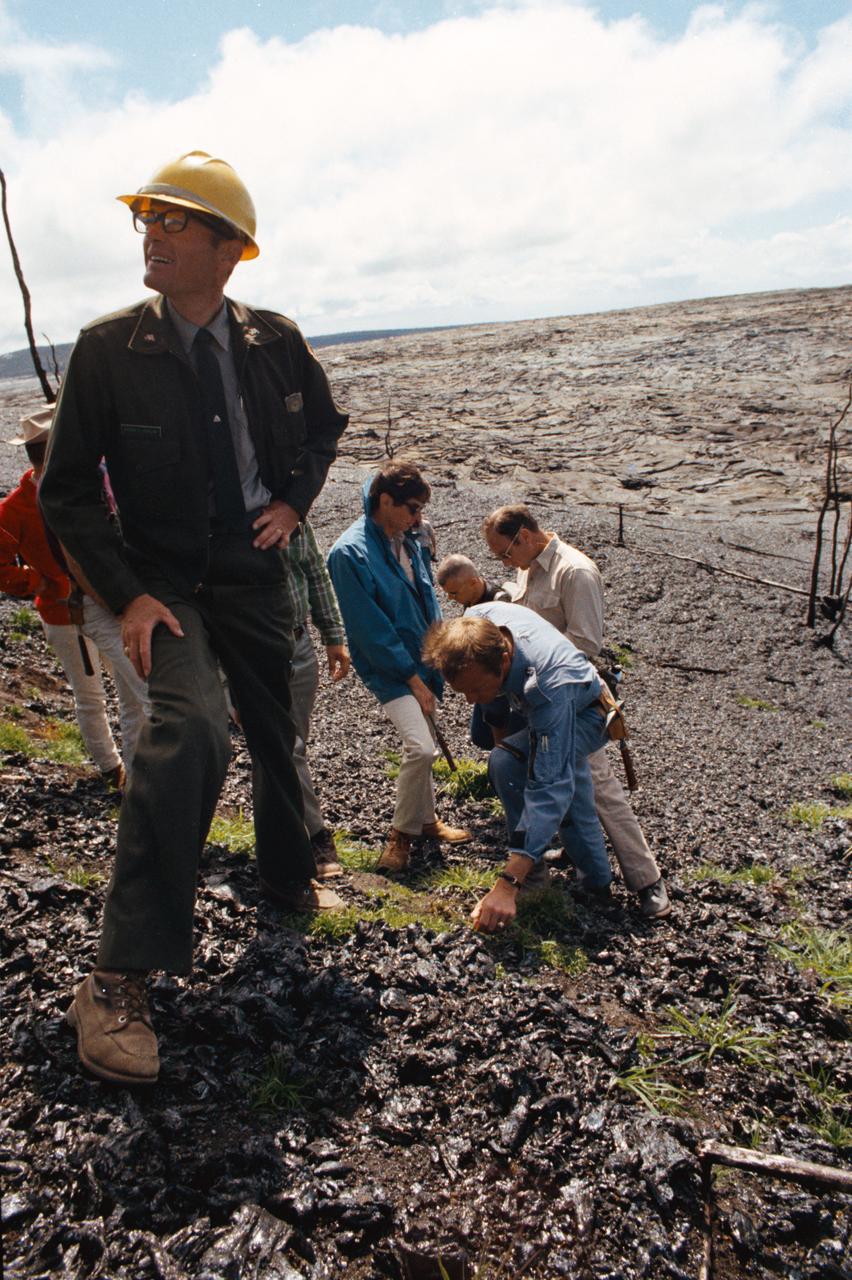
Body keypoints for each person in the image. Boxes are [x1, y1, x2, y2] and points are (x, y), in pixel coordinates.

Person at [39, 150, 349, 1085]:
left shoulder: (276, 340)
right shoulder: (105, 350)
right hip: (162, 581)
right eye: (150, 221)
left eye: (175, 223)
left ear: (229, 249)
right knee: (189, 732)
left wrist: (293, 501)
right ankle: (117, 978)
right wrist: (125, 593)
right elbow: (67, 497)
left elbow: (326, 430)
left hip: (252, 571)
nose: (153, 235)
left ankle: (291, 877)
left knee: (279, 727)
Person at [482, 504, 670, 919]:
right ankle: (579, 854)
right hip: (534, 695)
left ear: (526, 536)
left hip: (573, 697)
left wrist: (534, 664)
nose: (504, 562)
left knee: (600, 788)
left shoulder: (575, 572)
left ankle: (646, 880)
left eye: (504, 553)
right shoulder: (526, 565)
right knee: (552, 775)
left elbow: (585, 643)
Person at [422, 604, 612, 933]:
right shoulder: (481, 620)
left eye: (477, 690)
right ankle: (592, 878)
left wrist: (507, 884)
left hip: (588, 714)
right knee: (551, 774)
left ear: (505, 661)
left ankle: (555, 882)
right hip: (549, 703)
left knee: (515, 765)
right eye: (462, 692)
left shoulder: (548, 685)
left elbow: (548, 786)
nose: (470, 701)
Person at [327, 461, 470, 872]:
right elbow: (370, 630)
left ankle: (427, 821)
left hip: (424, 660)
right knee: (420, 746)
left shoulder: (406, 537)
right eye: (411, 508)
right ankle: (400, 837)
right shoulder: (349, 553)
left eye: (421, 510)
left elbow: (426, 597)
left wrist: (440, 655)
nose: (418, 518)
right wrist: (411, 677)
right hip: (391, 668)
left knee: (424, 736)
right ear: (384, 500)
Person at [0, 407, 131, 787]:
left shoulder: (86, 487)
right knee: (91, 695)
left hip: (106, 604)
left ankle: (134, 765)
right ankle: (112, 768)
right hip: (62, 614)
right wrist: (39, 583)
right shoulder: (15, 509)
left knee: (126, 686)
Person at [284, 520, 351, 878]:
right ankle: (314, 835)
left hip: (299, 643)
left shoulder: (293, 514)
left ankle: (290, 818)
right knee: (288, 746)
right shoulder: (227, 506)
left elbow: (314, 571)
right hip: (250, 646)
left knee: (293, 745)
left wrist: (332, 635)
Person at [435, 554, 505, 608]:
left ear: (473, 582)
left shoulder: (500, 603)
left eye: (453, 593)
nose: (449, 598)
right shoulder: (470, 597)